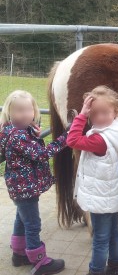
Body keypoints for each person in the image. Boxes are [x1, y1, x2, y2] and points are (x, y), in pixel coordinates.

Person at [67, 85, 118, 275]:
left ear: (115, 111)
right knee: (114, 233)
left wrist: (81, 115)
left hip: (100, 198)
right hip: (112, 196)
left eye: (105, 112)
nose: (99, 118)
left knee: (100, 239)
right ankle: (114, 268)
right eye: (95, 114)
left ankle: (95, 271)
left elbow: (72, 140)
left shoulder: (99, 140)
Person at [0, 90, 68, 275]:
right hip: (25, 186)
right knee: (33, 223)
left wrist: (36, 136)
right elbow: (41, 154)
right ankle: (39, 262)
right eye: (19, 111)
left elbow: (29, 152)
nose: (25, 114)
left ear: (34, 111)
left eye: (28, 109)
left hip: (22, 186)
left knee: (21, 219)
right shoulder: (18, 136)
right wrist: (66, 137)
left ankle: (19, 254)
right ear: (9, 113)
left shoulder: (14, 131)